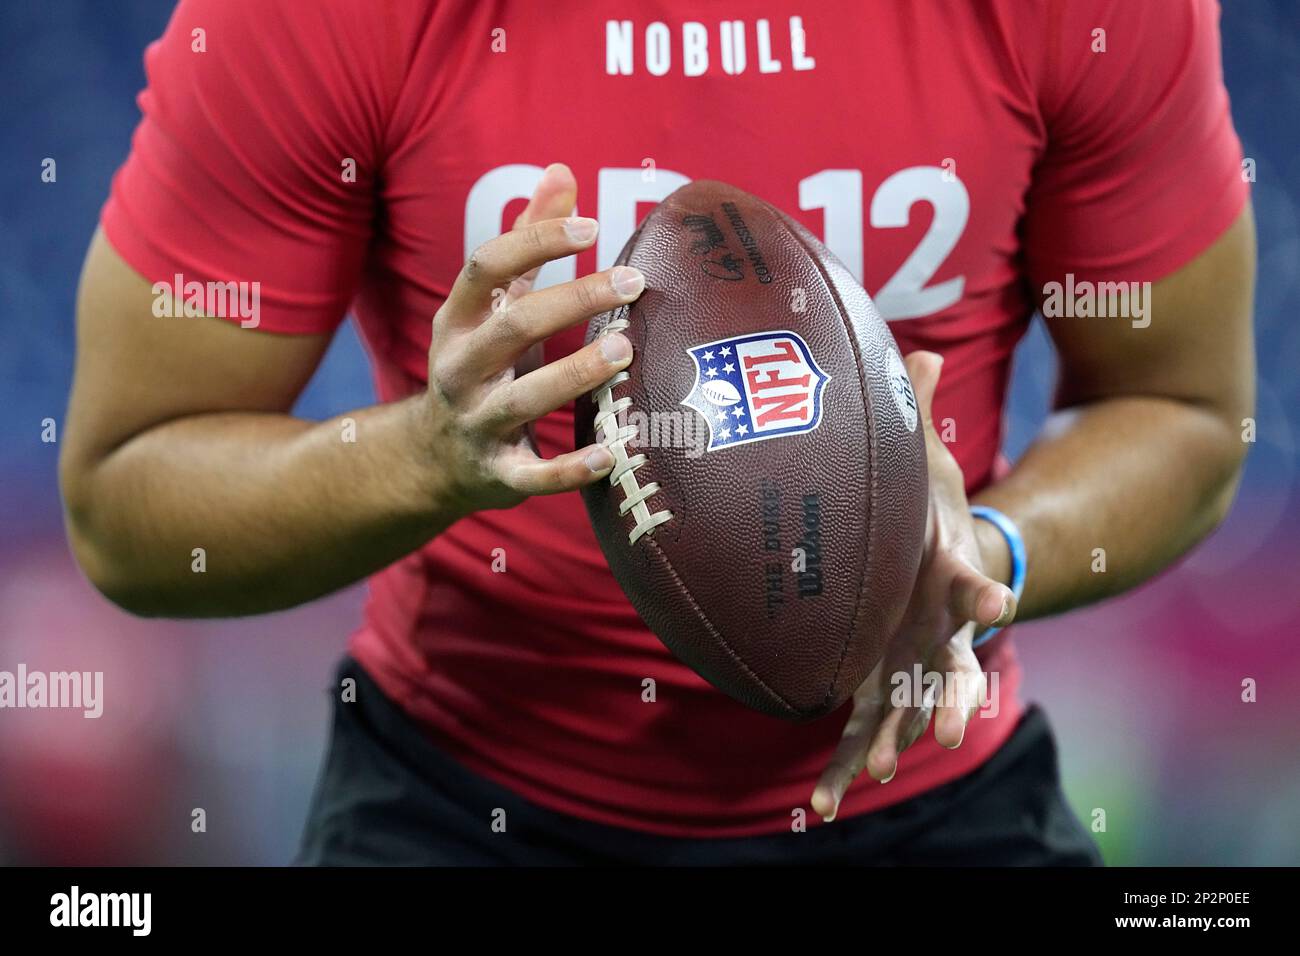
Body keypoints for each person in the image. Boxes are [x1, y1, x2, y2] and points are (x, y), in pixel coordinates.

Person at [61, 0, 1254, 864]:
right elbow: (125, 500)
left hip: (930, 790)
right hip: (460, 802)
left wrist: (983, 552)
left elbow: (1184, 409)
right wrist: (425, 456)